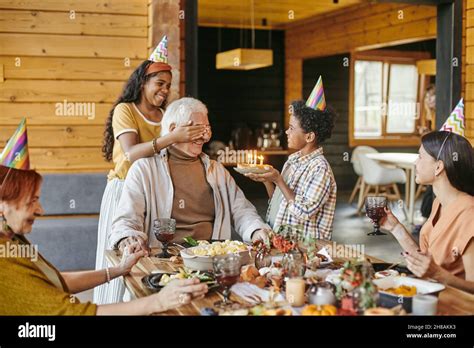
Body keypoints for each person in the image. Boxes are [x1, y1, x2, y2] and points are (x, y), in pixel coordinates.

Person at [0, 165, 207, 315]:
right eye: (32, 201)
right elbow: (73, 313)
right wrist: (159, 302)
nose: (40, 210)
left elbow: (55, 281)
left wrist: (119, 270)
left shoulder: (12, 240)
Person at [95, 36, 206, 304]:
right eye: (159, 84)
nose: (165, 91)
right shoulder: (126, 110)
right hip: (123, 189)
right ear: (143, 82)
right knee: (119, 250)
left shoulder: (166, 115)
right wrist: (172, 136)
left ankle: (143, 306)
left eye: (168, 86)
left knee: (144, 256)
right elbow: (132, 153)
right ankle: (109, 307)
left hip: (153, 192)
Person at [109, 97, 270, 251]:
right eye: (196, 129)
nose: (204, 136)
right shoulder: (144, 169)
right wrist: (127, 237)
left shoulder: (217, 170)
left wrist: (256, 230)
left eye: (206, 128)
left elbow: (241, 210)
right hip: (164, 260)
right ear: (173, 130)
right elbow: (127, 219)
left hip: (211, 256)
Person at [380, 131, 474, 294]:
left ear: (438, 167)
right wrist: (396, 228)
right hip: (428, 296)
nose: (416, 162)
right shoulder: (438, 203)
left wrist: (437, 274)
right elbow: (425, 263)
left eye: (420, 156)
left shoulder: (469, 213)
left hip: (454, 306)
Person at [246, 77, 337, 240]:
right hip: (281, 242)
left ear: (309, 136)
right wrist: (267, 180)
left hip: (306, 249)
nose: (287, 132)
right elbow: (279, 203)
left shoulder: (319, 169)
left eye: (292, 128)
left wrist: (279, 179)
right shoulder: (293, 160)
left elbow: (304, 212)